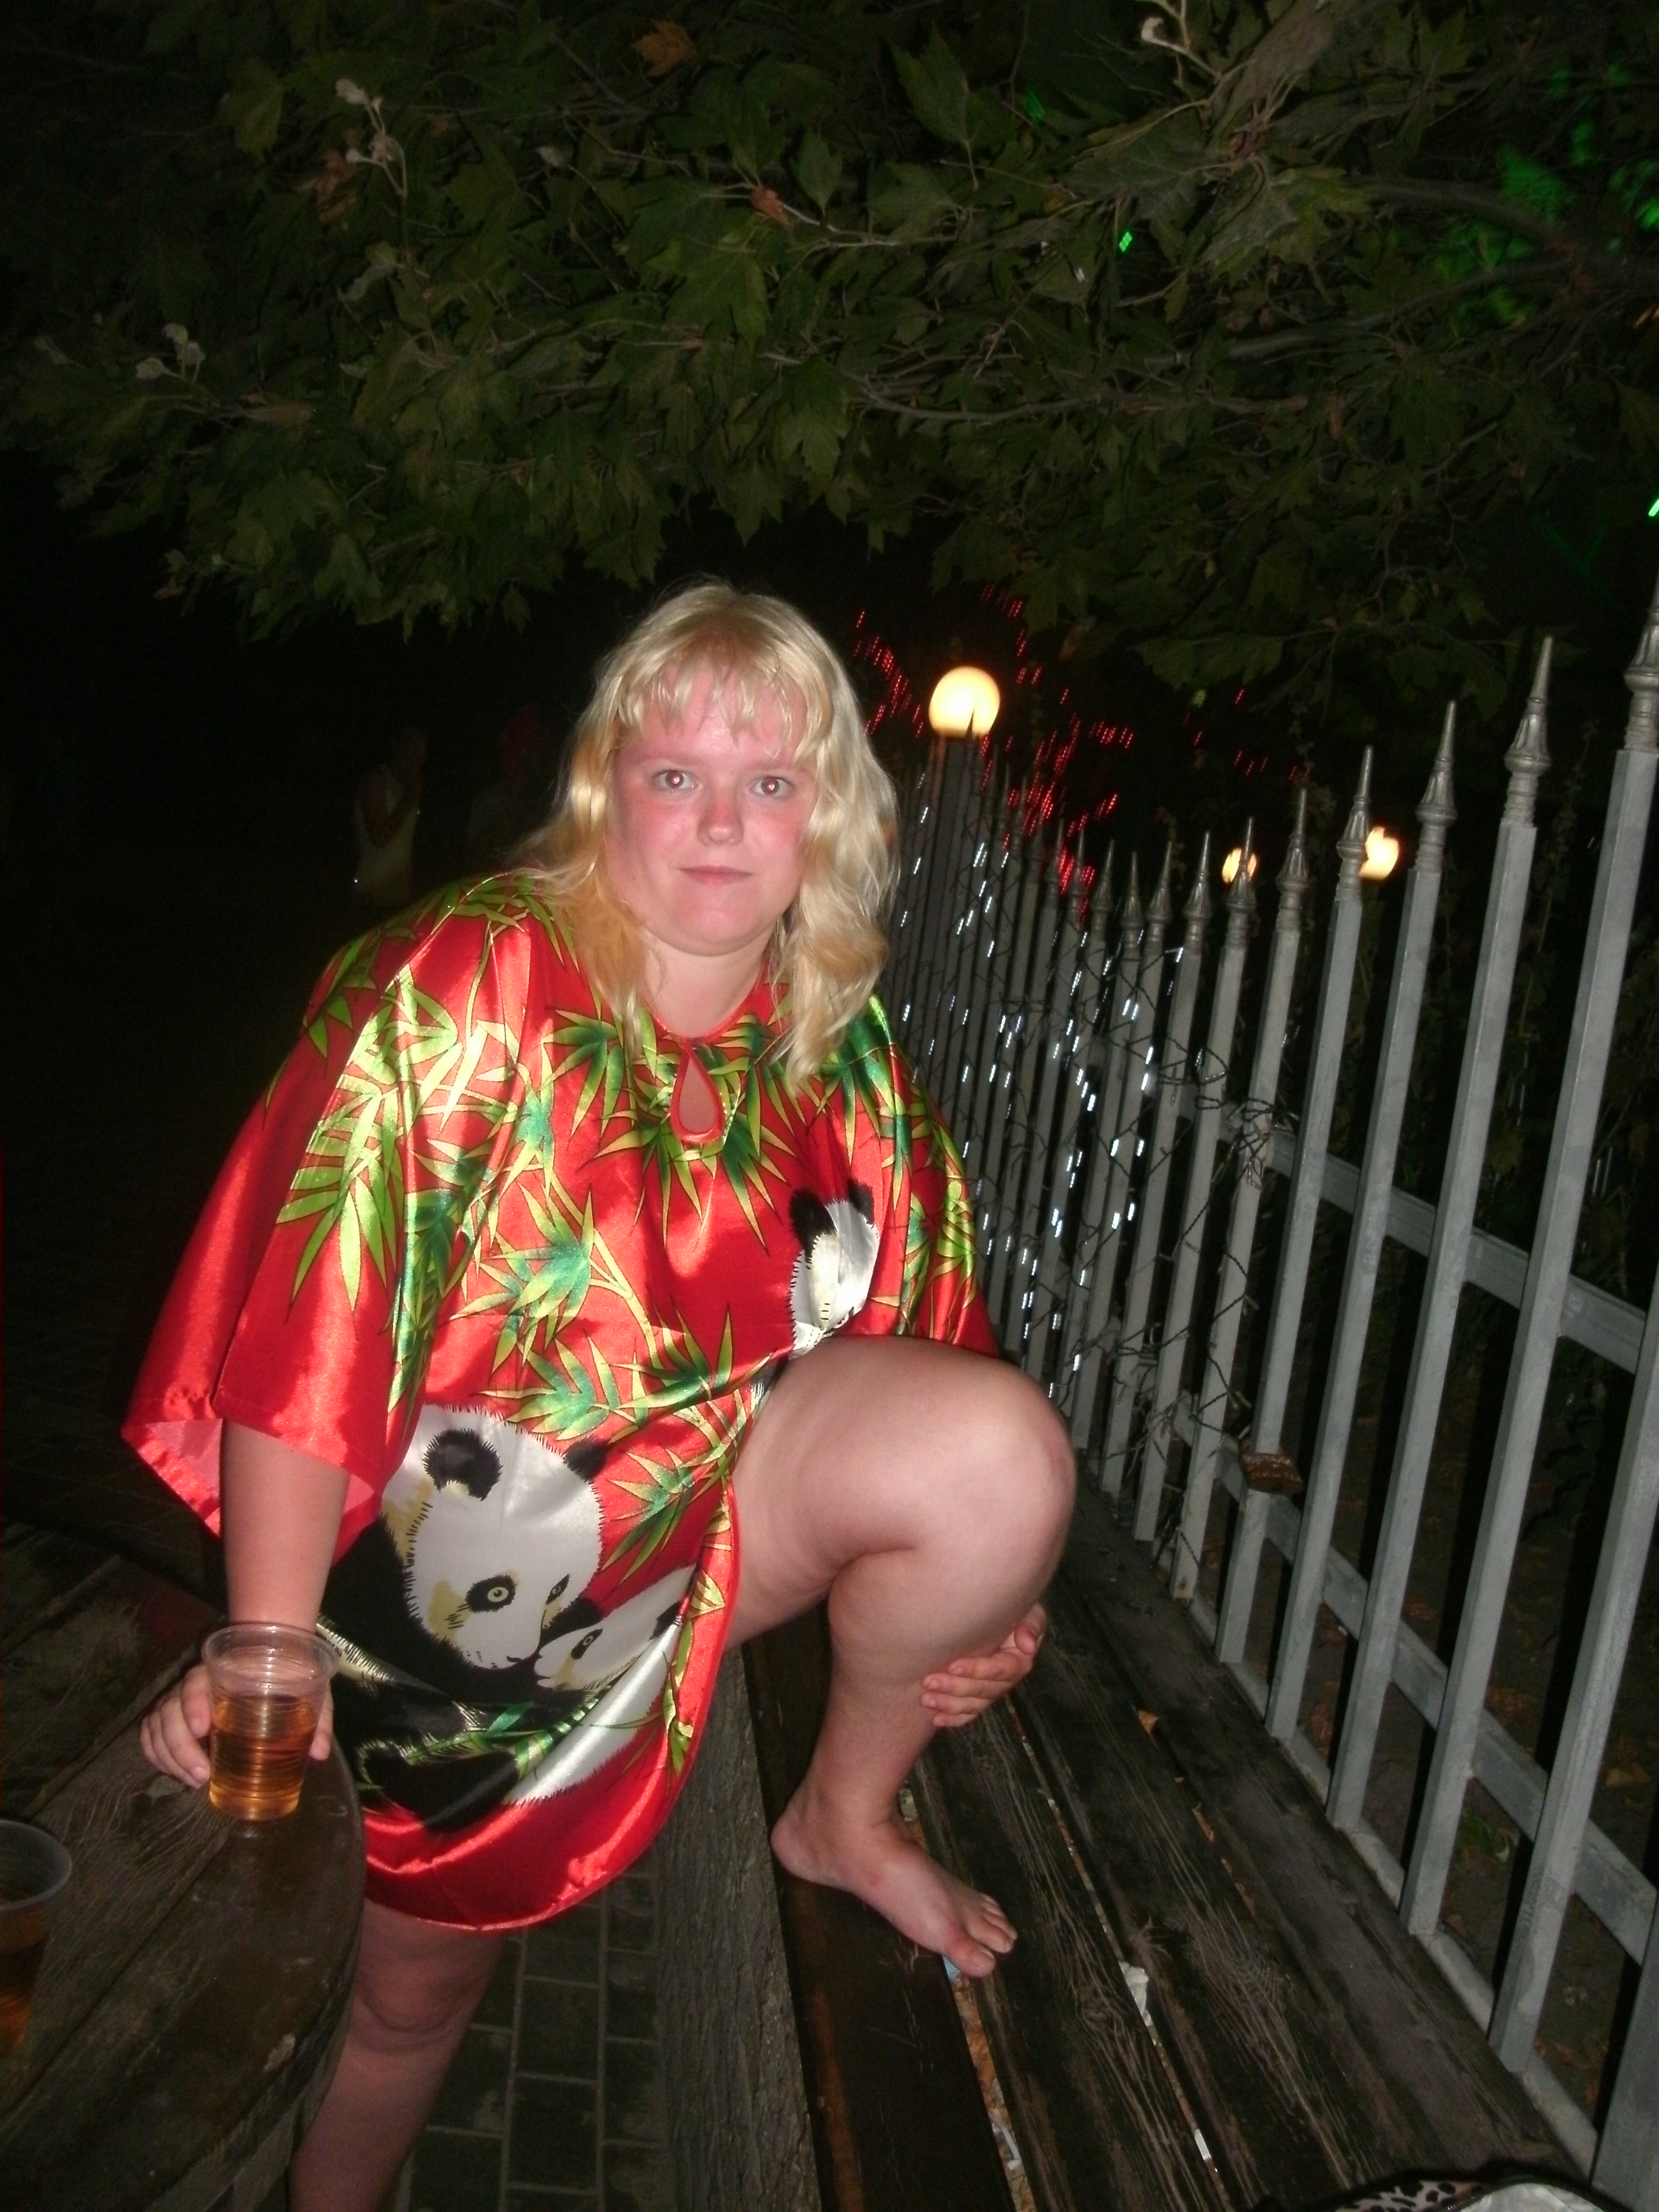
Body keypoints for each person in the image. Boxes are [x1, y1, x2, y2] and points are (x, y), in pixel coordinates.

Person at [130, 585, 1074, 2212]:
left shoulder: (841, 1053)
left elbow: (934, 1362)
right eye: (676, 774)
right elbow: (310, 1329)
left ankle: (843, 1820)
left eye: (768, 783)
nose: (720, 822)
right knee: (373, 1990)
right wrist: (268, 1645)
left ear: (827, 817)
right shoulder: (471, 977)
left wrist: (990, 1597)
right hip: (397, 1603)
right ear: (602, 787)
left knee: (1005, 1461)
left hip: (665, 1577)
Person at [351, 722, 426, 908]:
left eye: (422, 748)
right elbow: (379, 836)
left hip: (401, 895)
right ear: (395, 745)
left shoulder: (411, 785)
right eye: (411, 744)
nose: (417, 753)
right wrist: (409, 798)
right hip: (372, 893)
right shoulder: (376, 780)